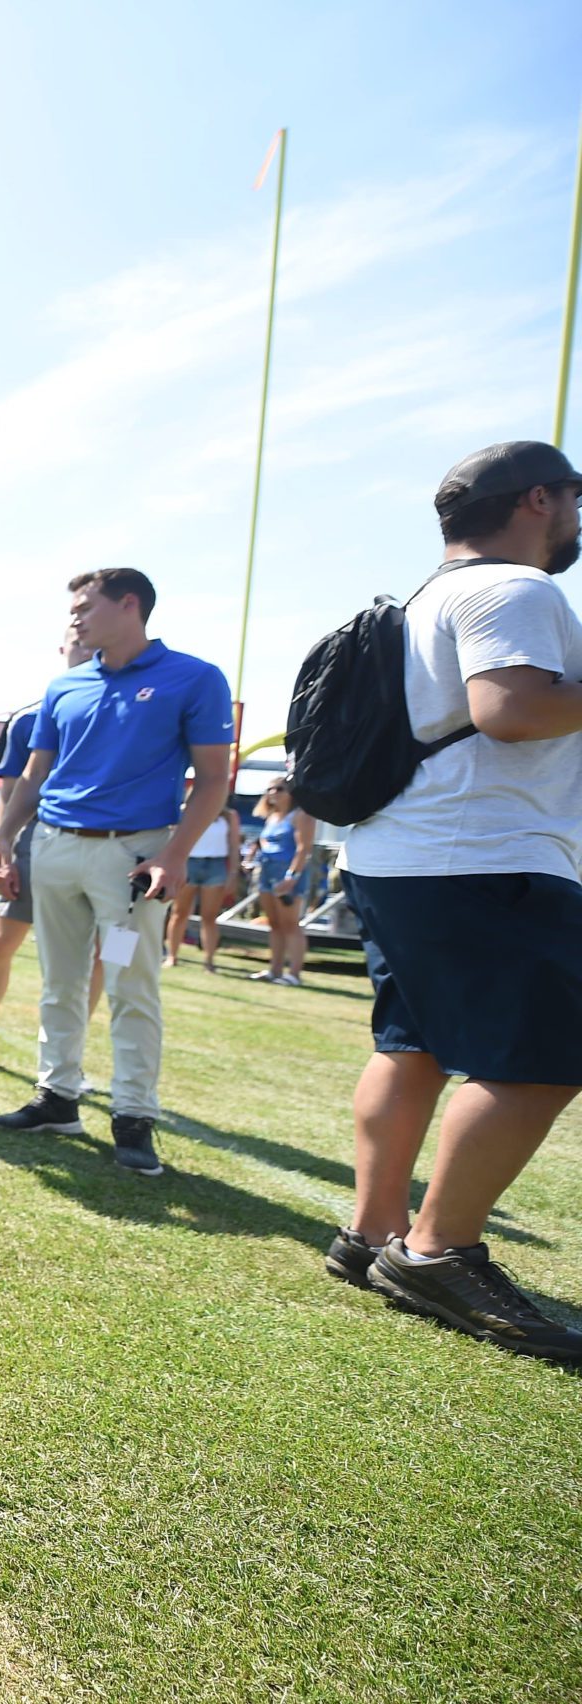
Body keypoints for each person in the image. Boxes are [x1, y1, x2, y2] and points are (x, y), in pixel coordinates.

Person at [325, 441, 582, 1361]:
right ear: (539, 500)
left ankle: (372, 1232)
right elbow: (509, 708)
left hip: (400, 853)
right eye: (573, 504)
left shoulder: (421, 599)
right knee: (540, 1063)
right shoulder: (518, 591)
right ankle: (437, 1250)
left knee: (414, 1046)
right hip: (484, 854)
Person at [0, 570, 234, 1176]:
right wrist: (3, 835)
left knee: (129, 984)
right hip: (55, 851)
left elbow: (214, 780)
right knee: (59, 981)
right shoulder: (65, 685)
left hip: (130, 863)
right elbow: (34, 775)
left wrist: (173, 856)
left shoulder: (194, 678)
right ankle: (58, 1097)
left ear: (131, 605)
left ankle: (133, 1116)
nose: (74, 619)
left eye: (83, 607)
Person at [0, 633, 99, 1063]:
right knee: (1, 940)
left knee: (99, 953)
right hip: (34, 839)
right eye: (76, 640)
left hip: (103, 843)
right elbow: (12, 788)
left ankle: (69, 1054)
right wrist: (4, 843)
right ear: (61, 648)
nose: (85, 647)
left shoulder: (120, 708)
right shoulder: (31, 718)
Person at [246, 781, 315, 986]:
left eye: (279, 789)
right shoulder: (272, 817)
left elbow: (304, 849)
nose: (272, 793)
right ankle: (274, 970)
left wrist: (291, 878)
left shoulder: (301, 815)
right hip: (267, 872)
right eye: (270, 789)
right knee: (274, 923)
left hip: (287, 874)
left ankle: (294, 973)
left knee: (290, 924)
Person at [163, 797, 239, 971]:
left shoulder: (228, 815)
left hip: (216, 865)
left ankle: (209, 960)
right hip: (189, 862)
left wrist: (233, 873)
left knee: (210, 916)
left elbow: (234, 845)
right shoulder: (185, 811)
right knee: (179, 913)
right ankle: (172, 956)